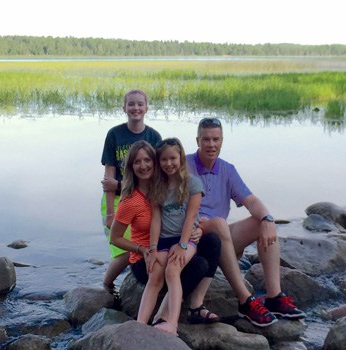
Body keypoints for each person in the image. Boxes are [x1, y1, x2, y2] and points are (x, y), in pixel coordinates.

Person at [185, 117, 306, 327]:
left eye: (216, 139)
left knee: (262, 223)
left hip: (219, 236)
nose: (211, 145)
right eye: (206, 139)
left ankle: (274, 296)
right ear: (197, 140)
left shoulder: (227, 169)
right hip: (192, 237)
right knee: (220, 224)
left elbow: (249, 200)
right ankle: (245, 300)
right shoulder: (183, 165)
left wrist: (268, 218)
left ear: (222, 140)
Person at [110, 140, 221, 330]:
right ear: (131, 166)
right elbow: (116, 237)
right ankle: (151, 320)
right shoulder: (131, 200)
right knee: (193, 266)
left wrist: (195, 232)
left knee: (212, 241)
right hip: (146, 256)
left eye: (147, 160)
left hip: (176, 243)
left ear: (155, 162)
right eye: (137, 162)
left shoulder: (168, 184)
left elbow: (189, 214)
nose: (143, 165)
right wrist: (146, 249)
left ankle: (189, 309)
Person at [137, 137, 206, 336]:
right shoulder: (157, 187)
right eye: (164, 160)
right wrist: (152, 249)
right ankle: (140, 323)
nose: (169, 163)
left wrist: (183, 244)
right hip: (164, 241)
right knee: (154, 275)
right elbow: (156, 220)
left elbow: (190, 217)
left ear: (181, 158)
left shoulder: (193, 185)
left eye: (173, 158)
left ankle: (172, 324)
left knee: (172, 270)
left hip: (186, 239)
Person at [101, 89, 161, 294]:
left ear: (147, 107)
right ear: (124, 107)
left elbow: (158, 172)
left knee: (143, 244)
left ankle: (133, 281)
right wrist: (110, 212)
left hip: (146, 198)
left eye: (140, 104)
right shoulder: (114, 134)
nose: (136, 108)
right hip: (118, 199)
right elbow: (109, 178)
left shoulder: (153, 136)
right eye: (131, 104)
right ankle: (107, 285)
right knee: (124, 249)